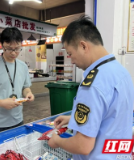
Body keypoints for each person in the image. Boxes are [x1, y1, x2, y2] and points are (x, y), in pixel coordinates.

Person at [48, 15, 134, 159]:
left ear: (83, 46)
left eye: (70, 53)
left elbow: (83, 146)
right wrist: (72, 119)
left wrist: (57, 141)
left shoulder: (92, 84)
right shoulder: (122, 72)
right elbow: (111, 115)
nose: (71, 60)